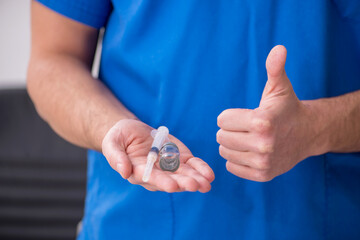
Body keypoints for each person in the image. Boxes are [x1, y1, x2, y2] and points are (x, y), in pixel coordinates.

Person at [27, 0, 360, 239]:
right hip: (138, 223)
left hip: (325, 222)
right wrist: (109, 126)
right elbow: (53, 59)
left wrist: (319, 127)